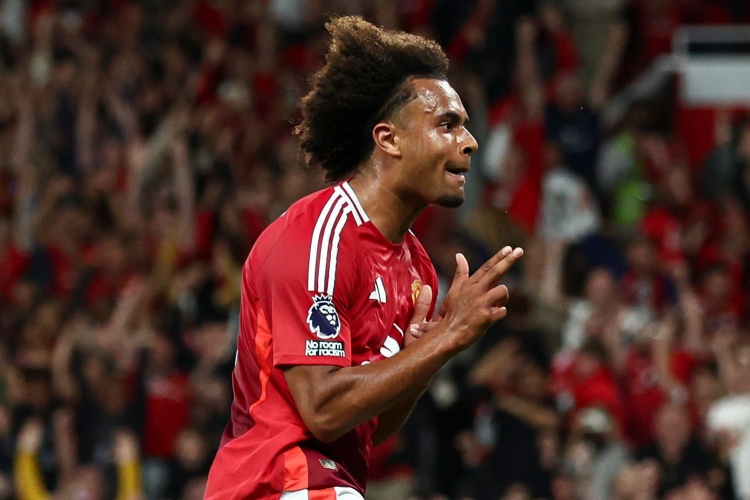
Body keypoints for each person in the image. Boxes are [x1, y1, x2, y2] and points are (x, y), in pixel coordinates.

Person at [204, 16, 524, 499]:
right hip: (275, 480)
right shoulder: (319, 237)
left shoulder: (417, 268)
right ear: (389, 139)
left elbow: (371, 424)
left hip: (330, 481)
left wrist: (426, 356)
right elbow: (323, 410)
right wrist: (448, 336)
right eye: (447, 124)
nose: (470, 141)